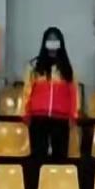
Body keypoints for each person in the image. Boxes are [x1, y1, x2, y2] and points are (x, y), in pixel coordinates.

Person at [22, 27, 80, 174]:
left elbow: (74, 93)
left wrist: (74, 115)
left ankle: (57, 185)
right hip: (38, 118)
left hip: (61, 119)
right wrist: (25, 112)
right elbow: (27, 91)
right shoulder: (34, 66)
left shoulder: (67, 68)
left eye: (55, 39)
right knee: (38, 158)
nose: (52, 42)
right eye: (50, 39)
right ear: (44, 42)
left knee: (60, 158)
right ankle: (36, 186)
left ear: (61, 42)